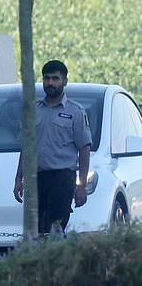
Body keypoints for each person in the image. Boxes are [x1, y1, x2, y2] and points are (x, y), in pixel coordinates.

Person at [13, 59, 91, 235]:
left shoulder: (75, 112)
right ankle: (39, 261)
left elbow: (84, 148)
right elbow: (27, 148)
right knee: (35, 228)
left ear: (64, 81)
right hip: (36, 178)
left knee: (55, 226)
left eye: (55, 78)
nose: (50, 83)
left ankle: (56, 260)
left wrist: (82, 186)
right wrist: (19, 178)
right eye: (47, 78)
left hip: (62, 177)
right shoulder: (32, 111)